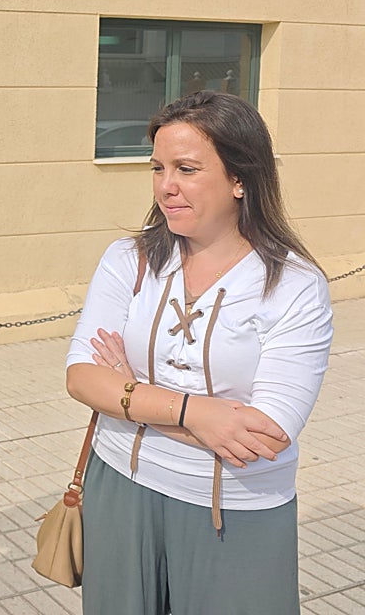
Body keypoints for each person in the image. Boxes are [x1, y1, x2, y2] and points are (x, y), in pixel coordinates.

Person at [65, 91, 333, 614]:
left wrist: (128, 395)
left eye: (187, 169)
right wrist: (199, 414)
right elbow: (80, 377)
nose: (167, 187)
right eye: (158, 168)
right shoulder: (130, 259)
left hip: (237, 507)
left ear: (240, 178)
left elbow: (265, 436)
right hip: (119, 483)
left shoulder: (294, 286)